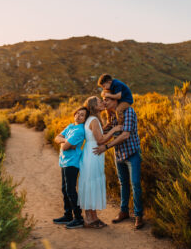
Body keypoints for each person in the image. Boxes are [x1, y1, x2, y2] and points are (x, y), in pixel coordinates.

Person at [93, 95, 144, 230]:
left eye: (107, 100)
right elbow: (103, 132)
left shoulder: (128, 112)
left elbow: (125, 135)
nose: (104, 102)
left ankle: (139, 215)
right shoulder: (112, 115)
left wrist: (107, 147)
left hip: (132, 153)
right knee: (123, 184)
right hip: (119, 154)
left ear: (115, 100)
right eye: (103, 100)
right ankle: (124, 211)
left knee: (135, 184)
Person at [78, 96, 122, 228]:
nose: (102, 103)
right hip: (94, 153)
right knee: (91, 183)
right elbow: (100, 140)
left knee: (89, 183)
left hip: (90, 153)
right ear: (93, 106)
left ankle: (92, 218)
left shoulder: (91, 120)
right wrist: (115, 130)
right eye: (99, 102)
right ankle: (91, 219)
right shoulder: (94, 121)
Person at [53, 106, 88, 229]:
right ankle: (68, 215)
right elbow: (56, 138)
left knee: (70, 190)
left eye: (82, 115)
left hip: (72, 163)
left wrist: (65, 143)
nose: (78, 116)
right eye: (77, 113)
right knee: (64, 189)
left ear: (85, 119)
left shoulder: (80, 130)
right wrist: (67, 141)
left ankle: (78, 218)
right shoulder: (70, 127)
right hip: (64, 162)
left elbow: (64, 147)